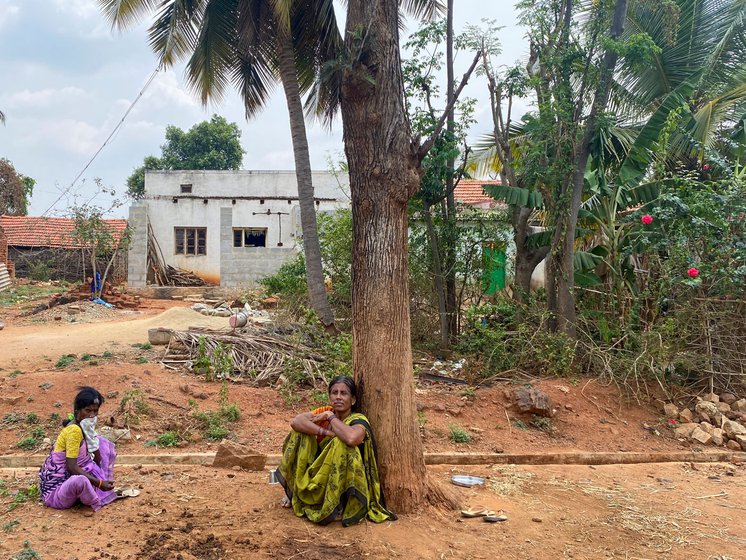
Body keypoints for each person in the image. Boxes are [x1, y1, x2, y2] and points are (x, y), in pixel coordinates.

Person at [277, 375, 396, 526]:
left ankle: (338, 504)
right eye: (334, 393)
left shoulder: (358, 419)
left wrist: (331, 417)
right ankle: (294, 491)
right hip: (319, 474)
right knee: (299, 433)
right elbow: (296, 422)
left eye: (343, 393)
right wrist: (327, 432)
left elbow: (352, 438)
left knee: (342, 443)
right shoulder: (323, 412)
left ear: (352, 400)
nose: (338, 397)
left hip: (339, 480)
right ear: (329, 396)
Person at [39, 387, 118, 511]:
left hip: (70, 480)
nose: (91, 416)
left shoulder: (83, 428)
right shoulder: (74, 431)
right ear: (77, 411)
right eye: (87, 411)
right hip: (58, 489)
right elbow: (71, 466)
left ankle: (88, 491)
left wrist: (91, 438)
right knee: (80, 481)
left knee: (101, 443)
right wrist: (99, 483)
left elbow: (97, 460)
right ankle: (90, 497)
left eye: (95, 411)